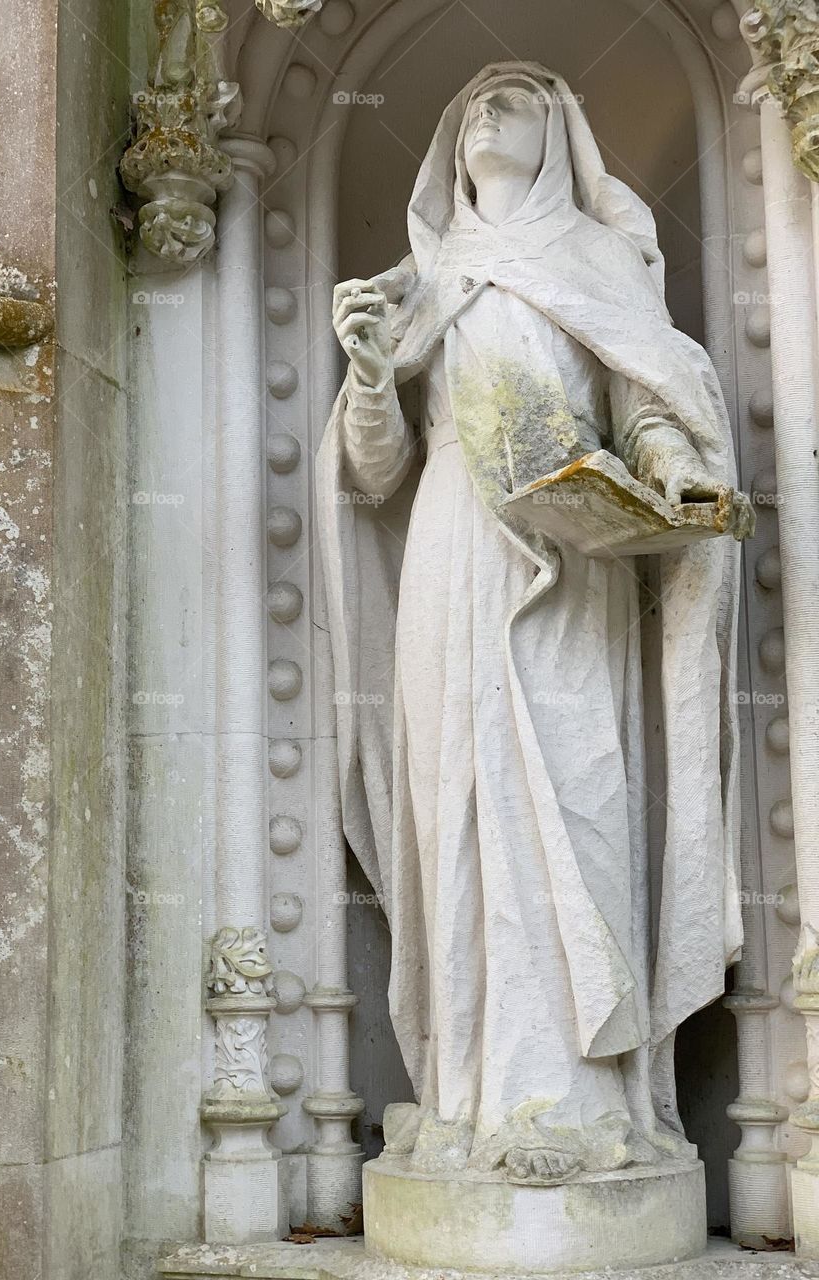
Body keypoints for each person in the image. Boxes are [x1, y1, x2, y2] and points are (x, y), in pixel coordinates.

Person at [317, 63, 746, 1184]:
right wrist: (370, 375)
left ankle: (588, 1098)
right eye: (471, 104)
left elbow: (652, 402)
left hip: (573, 548)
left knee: (580, 791)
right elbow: (376, 476)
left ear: (560, 133)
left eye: (516, 94)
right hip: (456, 547)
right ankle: (466, 1096)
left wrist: (662, 475)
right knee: (457, 805)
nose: (486, 108)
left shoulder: (603, 259)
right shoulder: (423, 280)